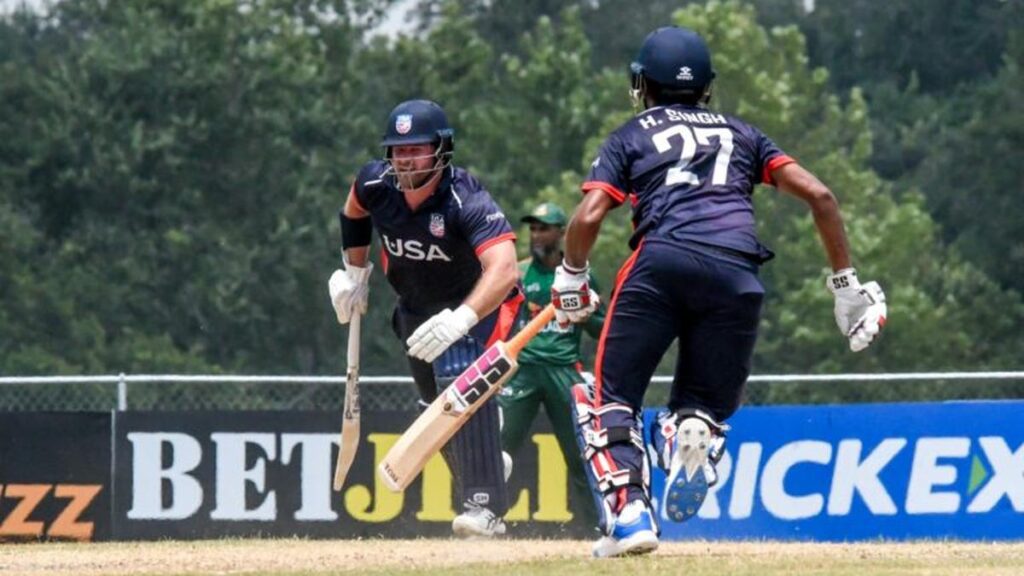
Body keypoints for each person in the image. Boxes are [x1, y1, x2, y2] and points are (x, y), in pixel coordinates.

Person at [551, 27, 888, 557]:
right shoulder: (745, 135)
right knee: (703, 403)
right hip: (737, 272)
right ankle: (690, 426)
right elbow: (821, 196)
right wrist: (845, 287)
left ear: (643, 84)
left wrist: (571, 274)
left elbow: (591, 213)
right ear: (706, 86)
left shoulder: (632, 134)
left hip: (661, 262)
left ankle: (632, 513)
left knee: (610, 397)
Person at [327, 99, 523, 538]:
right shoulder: (374, 182)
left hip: (481, 309)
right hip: (415, 308)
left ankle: (485, 509)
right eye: (398, 150)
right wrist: (354, 273)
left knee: (459, 388)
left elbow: (505, 269)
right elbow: (353, 211)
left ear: (441, 150)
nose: (405, 159)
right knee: (435, 411)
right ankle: (489, 453)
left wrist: (463, 319)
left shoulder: (465, 199)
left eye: (416, 149)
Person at [497, 202, 605, 529]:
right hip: (524, 367)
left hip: (563, 370)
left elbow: (603, 331)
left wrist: (587, 312)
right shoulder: (518, 272)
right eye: (533, 228)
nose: (537, 234)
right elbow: (500, 322)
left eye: (544, 228)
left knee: (580, 457)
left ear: (562, 233)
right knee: (498, 449)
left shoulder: (581, 275)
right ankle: (486, 517)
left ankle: (597, 528)